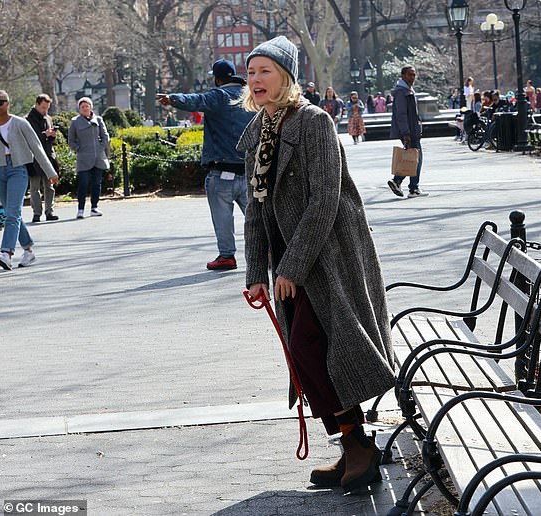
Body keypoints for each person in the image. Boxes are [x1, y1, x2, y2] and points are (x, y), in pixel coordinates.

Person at [240, 36, 395, 494]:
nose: (255, 79)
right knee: (305, 354)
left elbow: (326, 198)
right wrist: (256, 273)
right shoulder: (258, 132)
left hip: (329, 255)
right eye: (251, 72)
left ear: (286, 76)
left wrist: (293, 266)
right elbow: (254, 208)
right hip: (287, 258)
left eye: (265, 71)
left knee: (314, 345)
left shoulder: (314, 122)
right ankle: (353, 443)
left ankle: (358, 443)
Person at [157, 59, 254, 270]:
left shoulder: (219, 95)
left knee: (223, 218)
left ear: (218, 79)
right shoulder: (251, 96)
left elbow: (196, 100)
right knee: (257, 219)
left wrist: (171, 99)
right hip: (249, 171)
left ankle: (227, 256)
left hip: (222, 171)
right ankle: (269, 252)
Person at [0, 90, 58, 270]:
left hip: (18, 169)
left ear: (7, 103)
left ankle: (6, 253)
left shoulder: (19, 123)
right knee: (11, 212)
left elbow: (37, 147)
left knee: (13, 212)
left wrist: (50, 172)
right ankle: (29, 250)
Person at [387, 65, 428, 198]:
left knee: (413, 157)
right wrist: (406, 133)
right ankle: (410, 186)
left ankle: (400, 182)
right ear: (403, 76)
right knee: (416, 158)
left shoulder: (408, 90)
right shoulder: (401, 92)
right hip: (409, 131)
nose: (413, 77)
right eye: (410, 74)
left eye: (414, 74)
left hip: (412, 129)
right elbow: (401, 114)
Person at [68, 97, 110, 219]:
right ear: (79, 109)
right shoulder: (75, 122)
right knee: (83, 183)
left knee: (97, 183)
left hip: (98, 157)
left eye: (87, 106)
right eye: (82, 107)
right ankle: (80, 209)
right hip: (83, 158)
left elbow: (105, 136)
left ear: (91, 107)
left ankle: (94, 207)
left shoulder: (98, 119)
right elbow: (71, 140)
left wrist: (100, 147)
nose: (85, 108)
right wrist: (78, 148)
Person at [25, 94, 60, 222]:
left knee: (49, 186)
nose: (45, 111)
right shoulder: (28, 119)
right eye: (43, 107)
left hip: (48, 155)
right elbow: (30, 139)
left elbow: (50, 140)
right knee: (34, 187)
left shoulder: (48, 118)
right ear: (37, 104)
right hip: (34, 157)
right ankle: (37, 213)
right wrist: (45, 134)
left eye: (47, 108)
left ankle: (49, 211)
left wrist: (52, 135)